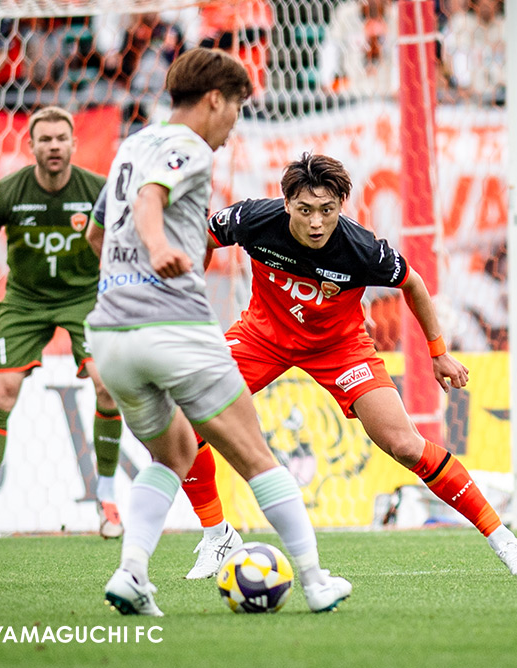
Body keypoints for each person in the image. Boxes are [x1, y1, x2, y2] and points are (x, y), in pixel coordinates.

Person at [180, 152, 517, 579]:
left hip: (339, 348)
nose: (317, 223)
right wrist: (191, 300)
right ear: (287, 203)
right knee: (187, 417)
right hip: (262, 337)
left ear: (341, 207)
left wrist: (438, 351)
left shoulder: (362, 249)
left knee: (404, 445)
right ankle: (217, 536)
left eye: (327, 210)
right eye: (305, 210)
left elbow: (413, 284)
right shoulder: (252, 219)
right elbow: (204, 237)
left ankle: (503, 538)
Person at [84, 48, 351, 616]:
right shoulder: (190, 148)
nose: (234, 124)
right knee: (256, 455)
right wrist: (159, 248)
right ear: (213, 100)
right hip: (173, 326)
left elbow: (94, 234)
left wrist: (124, 281)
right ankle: (315, 581)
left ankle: (131, 573)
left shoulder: (132, 146)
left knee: (173, 453)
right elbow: (151, 200)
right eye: (236, 108)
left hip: (111, 331)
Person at [0, 106, 125, 542]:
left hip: (85, 299)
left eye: (61, 138)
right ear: (31, 146)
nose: (53, 146)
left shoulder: (98, 191)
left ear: (74, 144)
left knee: (107, 386)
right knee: (2, 393)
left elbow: (125, 243)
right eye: (45, 139)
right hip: (24, 303)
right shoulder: (9, 191)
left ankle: (106, 499)